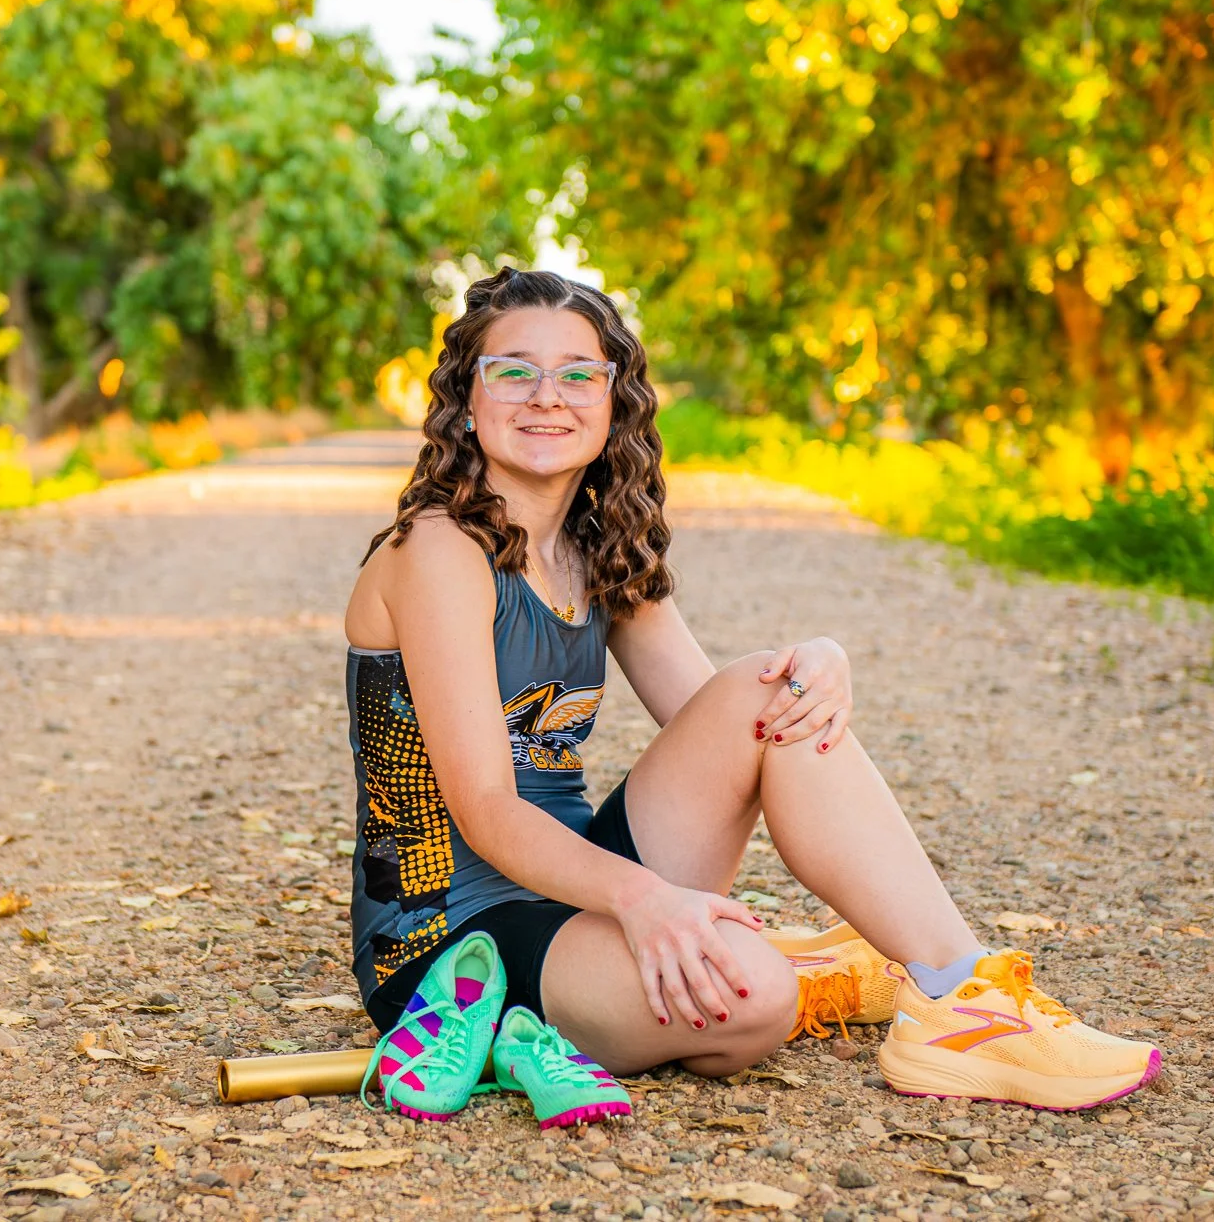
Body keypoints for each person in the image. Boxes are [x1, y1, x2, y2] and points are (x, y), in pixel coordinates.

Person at [341, 267, 1163, 1110]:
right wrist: (649, 900)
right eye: (513, 370)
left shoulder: (595, 546)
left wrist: (818, 662)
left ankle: (964, 996)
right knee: (757, 999)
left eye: (578, 373)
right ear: (464, 397)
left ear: (614, 398)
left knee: (779, 692)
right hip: (450, 940)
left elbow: (738, 723)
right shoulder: (438, 550)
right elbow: (486, 807)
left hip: (579, 882)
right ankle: (811, 966)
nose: (547, 395)